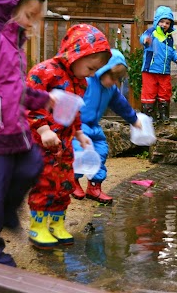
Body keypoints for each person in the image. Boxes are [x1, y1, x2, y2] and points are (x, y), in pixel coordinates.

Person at [0, 0, 56, 267]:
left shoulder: (14, 46)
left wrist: (43, 99)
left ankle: (6, 208)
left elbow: (14, 89)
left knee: (33, 164)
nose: (32, 23)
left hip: (12, 130)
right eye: (28, 15)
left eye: (35, 17)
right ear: (8, 7)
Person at [26, 24, 112, 249]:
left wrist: (80, 132)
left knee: (64, 183)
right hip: (41, 145)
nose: (92, 74)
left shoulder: (80, 81)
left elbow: (74, 110)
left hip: (64, 145)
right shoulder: (43, 72)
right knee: (44, 183)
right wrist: (43, 130)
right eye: (91, 67)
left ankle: (56, 224)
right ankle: (38, 226)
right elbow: (28, 104)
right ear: (76, 53)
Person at [71, 48, 142, 204]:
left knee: (101, 152)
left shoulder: (111, 90)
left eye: (118, 79)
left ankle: (94, 186)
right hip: (78, 126)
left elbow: (121, 105)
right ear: (102, 69)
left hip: (94, 126)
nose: (114, 82)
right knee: (78, 153)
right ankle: (73, 181)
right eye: (112, 77)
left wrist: (134, 119)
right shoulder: (86, 82)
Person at [140, 5, 177, 125]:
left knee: (165, 91)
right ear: (157, 21)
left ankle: (164, 114)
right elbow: (143, 37)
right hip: (150, 69)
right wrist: (145, 41)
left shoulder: (170, 37)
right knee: (149, 91)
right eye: (162, 21)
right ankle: (149, 115)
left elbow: (172, 51)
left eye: (167, 23)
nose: (164, 25)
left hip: (164, 70)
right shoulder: (151, 32)